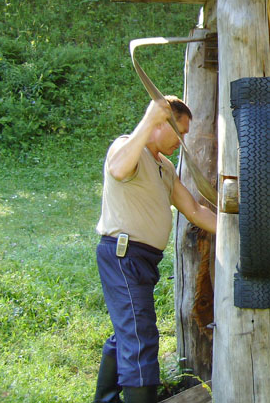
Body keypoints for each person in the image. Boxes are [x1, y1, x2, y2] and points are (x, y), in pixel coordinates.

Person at [93, 96, 217, 403]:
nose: (182, 140)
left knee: (128, 331)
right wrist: (148, 119)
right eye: (180, 131)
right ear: (161, 123)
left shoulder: (163, 166)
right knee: (140, 337)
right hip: (123, 257)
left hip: (143, 261)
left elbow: (194, 210)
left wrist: (237, 230)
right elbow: (119, 169)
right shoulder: (126, 148)